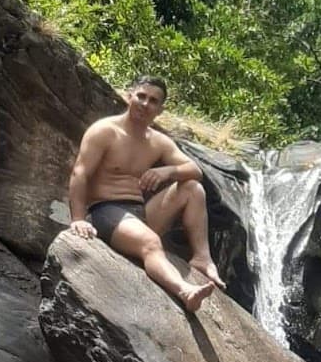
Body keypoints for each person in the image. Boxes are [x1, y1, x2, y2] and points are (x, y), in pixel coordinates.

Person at [66, 75, 226, 313]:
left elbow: (196, 171)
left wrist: (168, 171)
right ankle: (184, 291)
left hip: (140, 214)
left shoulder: (158, 142)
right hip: (106, 211)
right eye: (141, 96)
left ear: (160, 110)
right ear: (130, 96)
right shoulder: (104, 131)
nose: (144, 103)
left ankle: (202, 258)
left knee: (192, 188)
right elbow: (80, 173)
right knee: (151, 243)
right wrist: (78, 219)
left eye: (153, 101)